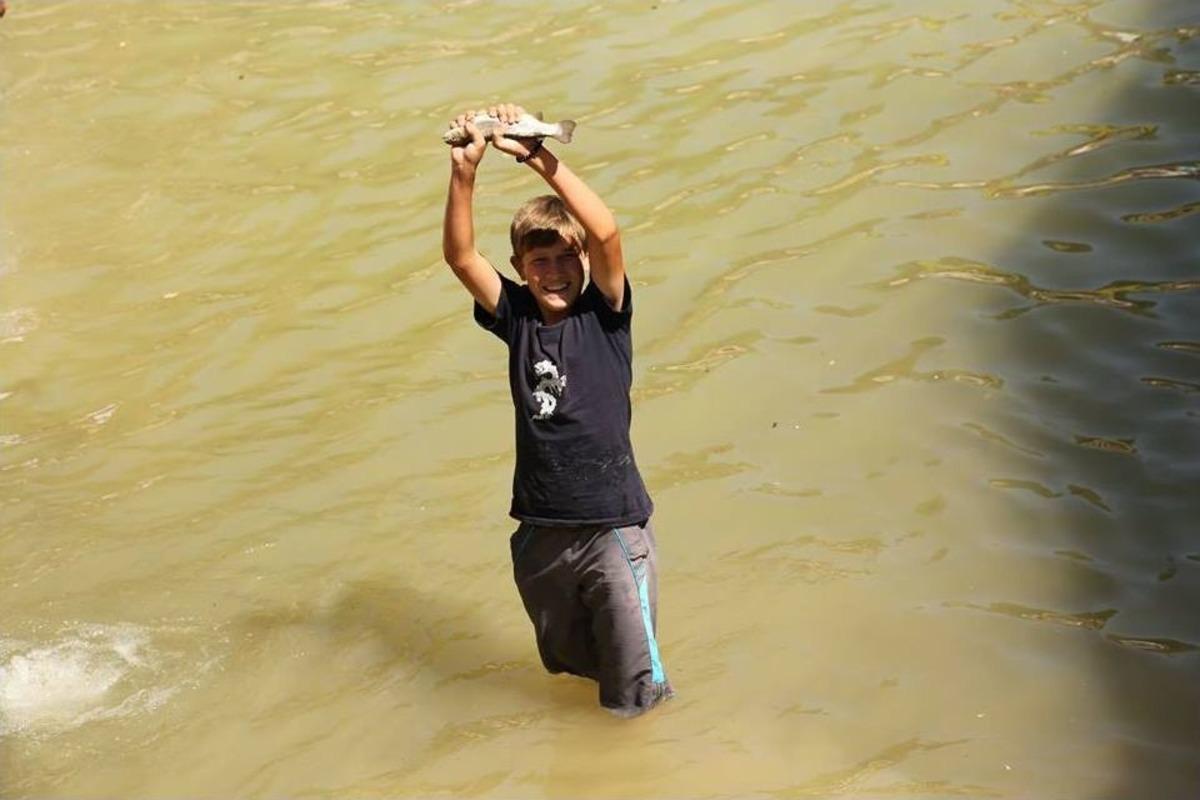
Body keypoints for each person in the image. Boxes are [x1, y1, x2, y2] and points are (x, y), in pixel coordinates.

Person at [440, 102, 673, 717]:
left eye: (565, 258)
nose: (554, 271)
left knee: (634, 691)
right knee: (571, 679)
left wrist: (540, 158)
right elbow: (462, 258)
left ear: (584, 264)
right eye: (538, 261)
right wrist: (466, 169)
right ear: (519, 269)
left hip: (611, 530)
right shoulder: (515, 319)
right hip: (541, 533)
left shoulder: (606, 314)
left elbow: (607, 232)